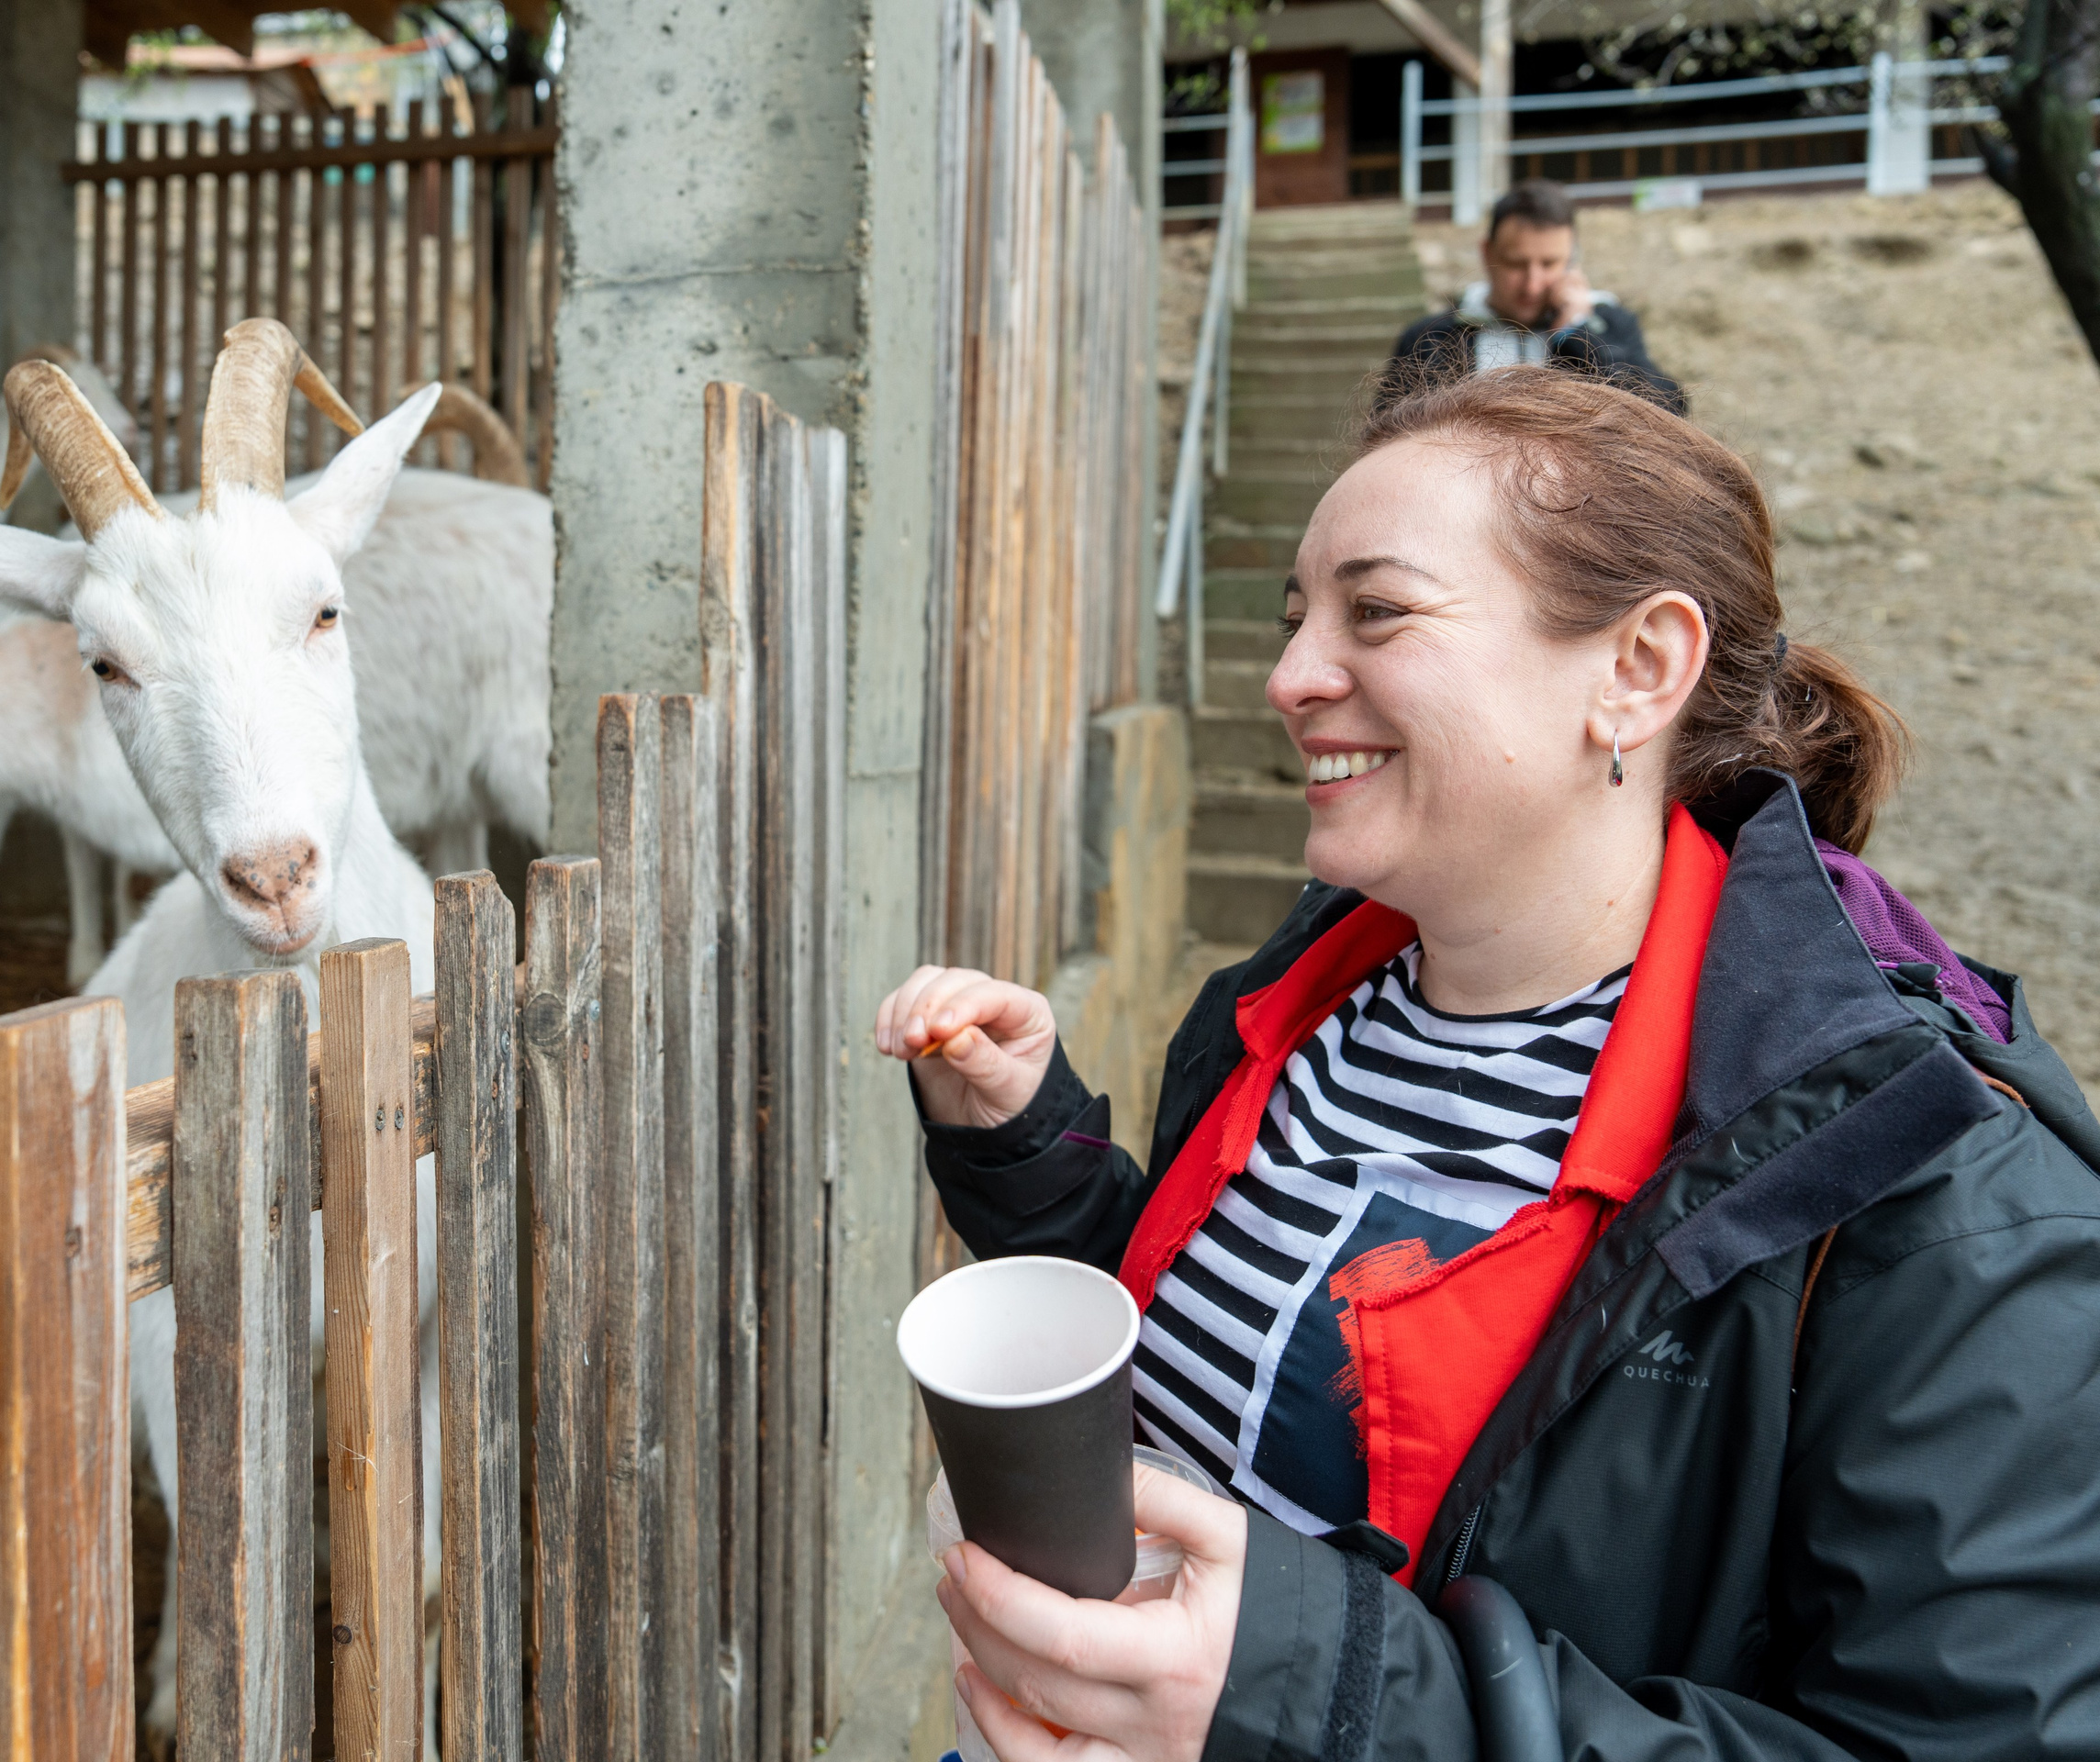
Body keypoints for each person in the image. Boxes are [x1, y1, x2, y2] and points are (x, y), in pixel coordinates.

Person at [876, 366, 2100, 1761]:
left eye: (1378, 611)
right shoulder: (1284, 1009)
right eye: (1297, 622)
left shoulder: (1930, 1196)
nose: (1288, 679)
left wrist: (1323, 1701)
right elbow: (1238, 1372)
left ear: (1638, 670)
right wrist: (1029, 1148)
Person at [1385, 179, 1686, 414]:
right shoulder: (1432, 338)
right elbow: (1387, 435)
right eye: (1516, 264)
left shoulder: (1610, 324)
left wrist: (1579, 333)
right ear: (1487, 253)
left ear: (1572, 260)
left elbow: (1667, 412)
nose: (1532, 284)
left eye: (1549, 264)